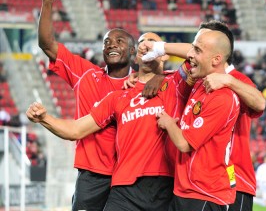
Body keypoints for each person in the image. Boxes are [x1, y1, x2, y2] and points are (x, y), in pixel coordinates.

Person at [27, 32, 195, 210]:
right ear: (135, 57)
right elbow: (75, 130)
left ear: (164, 54)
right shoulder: (118, 96)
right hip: (124, 188)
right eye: (141, 43)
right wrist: (44, 118)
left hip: (164, 184)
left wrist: (159, 50)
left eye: (151, 42)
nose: (146, 45)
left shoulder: (175, 85)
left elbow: (196, 53)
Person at [141, 21, 266, 211]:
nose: (190, 52)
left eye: (199, 45)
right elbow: (187, 61)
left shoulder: (235, 80)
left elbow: (260, 102)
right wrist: (156, 70)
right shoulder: (201, 78)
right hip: (194, 182)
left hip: (231, 180)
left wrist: (228, 80)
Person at [39, 0, 136, 210]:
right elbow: (47, 44)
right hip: (91, 177)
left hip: (129, 178)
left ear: (133, 50)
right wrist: (47, 2)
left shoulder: (144, 86)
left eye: (119, 41)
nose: (111, 44)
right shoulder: (85, 74)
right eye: (107, 42)